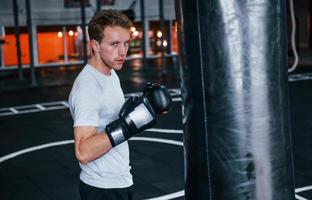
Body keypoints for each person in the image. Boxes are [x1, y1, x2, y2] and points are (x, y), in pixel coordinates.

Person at [68, 10, 171, 200]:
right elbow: (83, 151)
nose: (123, 51)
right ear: (95, 45)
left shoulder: (110, 74)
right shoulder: (88, 87)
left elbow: (114, 120)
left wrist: (141, 111)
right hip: (102, 188)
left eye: (126, 43)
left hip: (119, 180)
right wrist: (127, 125)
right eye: (114, 44)